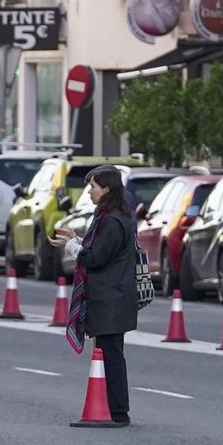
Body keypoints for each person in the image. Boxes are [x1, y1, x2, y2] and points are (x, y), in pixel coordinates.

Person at [51, 165, 138, 427]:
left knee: (109, 354)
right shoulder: (110, 216)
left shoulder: (111, 220)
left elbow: (96, 258)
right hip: (112, 295)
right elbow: (98, 249)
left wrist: (72, 247)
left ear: (107, 189)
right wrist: (77, 239)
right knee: (108, 352)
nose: (89, 192)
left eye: (93, 187)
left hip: (110, 296)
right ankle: (113, 409)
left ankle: (117, 412)